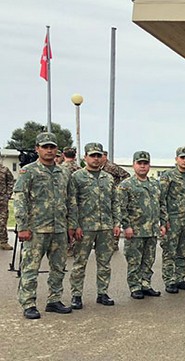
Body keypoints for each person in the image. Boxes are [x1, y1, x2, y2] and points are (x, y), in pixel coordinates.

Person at [13, 132, 76, 319]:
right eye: (45, 146)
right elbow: (20, 198)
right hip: (36, 229)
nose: (49, 150)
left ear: (57, 150)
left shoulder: (64, 172)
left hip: (59, 229)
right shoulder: (29, 171)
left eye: (52, 147)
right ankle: (28, 303)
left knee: (58, 267)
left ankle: (54, 300)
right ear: (37, 149)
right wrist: (22, 226)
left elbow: (71, 200)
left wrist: (71, 225)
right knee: (30, 268)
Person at [68, 142, 118, 309]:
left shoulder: (108, 178)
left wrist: (116, 223)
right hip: (85, 227)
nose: (96, 159)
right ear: (85, 157)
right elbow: (72, 203)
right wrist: (75, 225)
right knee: (80, 262)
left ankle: (102, 293)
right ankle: (76, 295)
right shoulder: (77, 177)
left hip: (105, 227)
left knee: (104, 263)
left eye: (99, 155)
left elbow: (114, 202)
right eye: (92, 156)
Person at [118, 151, 165, 299]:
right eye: (140, 163)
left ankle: (146, 284)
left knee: (149, 259)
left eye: (145, 163)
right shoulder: (126, 185)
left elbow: (161, 205)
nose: (143, 166)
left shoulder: (155, 184)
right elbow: (121, 207)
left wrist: (163, 223)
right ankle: (135, 286)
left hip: (151, 229)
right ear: (134, 165)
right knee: (134, 260)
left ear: (149, 165)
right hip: (135, 230)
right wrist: (126, 226)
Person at [159, 146, 185, 294]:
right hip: (173, 220)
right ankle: (169, 280)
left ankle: (179, 278)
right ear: (176, 159)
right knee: (170, 252)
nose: (184, 161)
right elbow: (161, 199)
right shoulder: (168, 176)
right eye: (182, 158)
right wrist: (164, 220)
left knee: (183, 252)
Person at [0, 158, 15, 250]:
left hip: (2, 200)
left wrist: (7, 195)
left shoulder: (4, 170)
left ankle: (3, 241)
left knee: (2, 221)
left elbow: (11, 182)